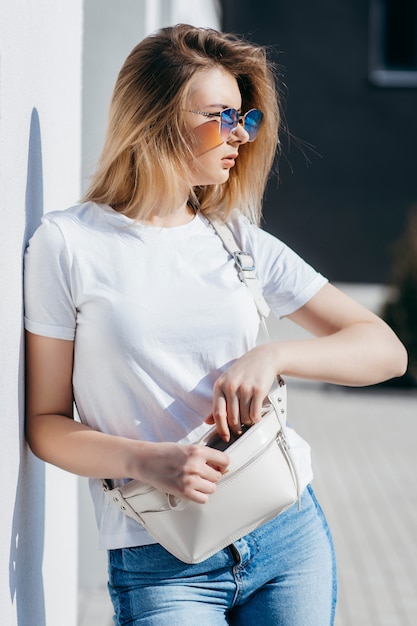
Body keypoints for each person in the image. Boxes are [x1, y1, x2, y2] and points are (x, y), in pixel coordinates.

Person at [24, 24, 407, 625]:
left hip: (286, 535)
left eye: (245, 118)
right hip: (158, 557)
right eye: (222, 116)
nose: (240, 135)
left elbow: (385, 350)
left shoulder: (237, 241)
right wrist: (148, 461)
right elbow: (45, 426)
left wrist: (273, 357)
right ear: (156, 115)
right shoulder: (69, 244)